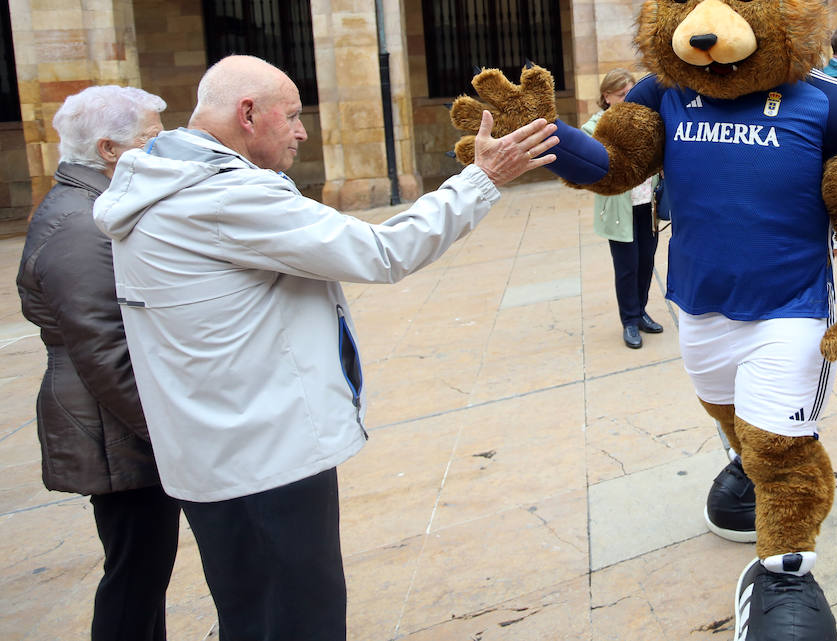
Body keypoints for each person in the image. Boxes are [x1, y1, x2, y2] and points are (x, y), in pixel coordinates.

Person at [91, 55, 558, 641]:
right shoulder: (219, 197)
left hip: (224, 448)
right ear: (248, 113)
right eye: (291, 116)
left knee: (254, 614)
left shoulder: (170, 178)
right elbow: (382, 252)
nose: (302, 131)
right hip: (262, 458)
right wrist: (480, 180)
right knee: (296, 618)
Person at [17, 85, 179, 641]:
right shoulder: (80, 224)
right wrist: (170, 433)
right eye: (151, 140)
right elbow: (104, 351)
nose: (162, 151)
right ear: (110, 150)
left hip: (120, 428)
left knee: (144, 568)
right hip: (114, 432)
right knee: (135, 572)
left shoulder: (92, 206)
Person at [584, 68, 663, 349]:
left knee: (646, 263)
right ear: (606, 97)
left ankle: (641, 312)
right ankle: (629, 321)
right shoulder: (594, 127)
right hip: (619, 210)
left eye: (631, 93)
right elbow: (592, 166)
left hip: (646, 205)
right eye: (622, 95)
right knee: (627, 267)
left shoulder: (646, 121)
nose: (629, 99)